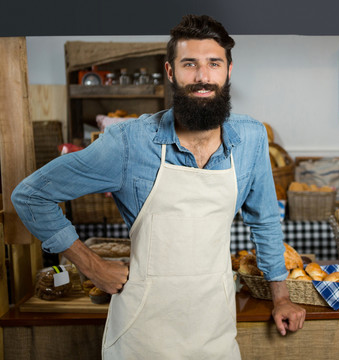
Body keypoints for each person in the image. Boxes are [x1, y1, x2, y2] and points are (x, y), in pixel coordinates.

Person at [12, 14, 305, 359]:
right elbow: (31, 195)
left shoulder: (250, 138)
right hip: (142, 334)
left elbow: (266, 221)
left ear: (228, 70)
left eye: (213, 63)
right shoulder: (129, 142)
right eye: (189, 64)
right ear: (170, 72)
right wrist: (90, 265)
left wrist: (281, 296)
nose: (202, 77)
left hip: (215, 329)